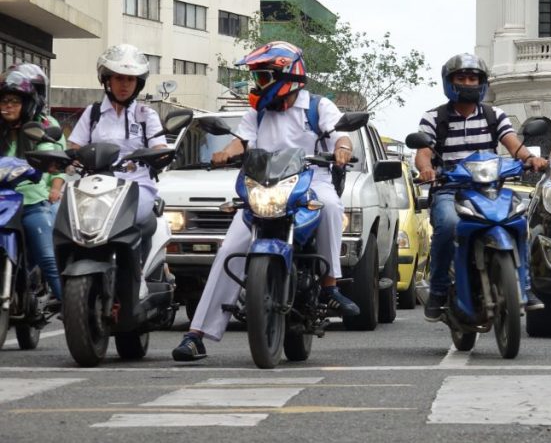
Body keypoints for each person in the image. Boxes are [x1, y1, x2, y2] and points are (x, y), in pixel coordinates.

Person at [172, 41, 359, 361]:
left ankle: (330, 284)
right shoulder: (256, 114)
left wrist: (342, 148)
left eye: (261, 77)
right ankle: (197, 334)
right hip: (264, 187)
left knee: (329, 206)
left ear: (286, 74)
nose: (256, 84)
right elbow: (239, 144)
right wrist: (224, 154)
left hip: (311, 182)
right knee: (230, 248)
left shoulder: (317, 106)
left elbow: (340, 134)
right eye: (256, 77)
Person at [415, 53, 549, 321]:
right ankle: (439, 290)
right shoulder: (434, 117)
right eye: (461, 78)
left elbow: (513, 145)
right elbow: (423, 152)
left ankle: (524, 287)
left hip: (490, 189)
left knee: (519, 223)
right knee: (449, 226)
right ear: (449, 82)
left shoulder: (493, 115)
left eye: (473, 78)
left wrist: (531, 159)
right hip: (450, 189)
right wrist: (426, 169)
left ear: (482, 83)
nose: (468, 83)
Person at [67, 44, 167, 224]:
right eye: (119, 78)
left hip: (136, 186)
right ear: (107, 80)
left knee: (123, 220)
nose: (125, 84)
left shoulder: (146, 115)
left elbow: (159, 148)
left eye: (130, 79)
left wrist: (159, 155)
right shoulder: (92, 113)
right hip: (93, 187)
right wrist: (69, 161)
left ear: (138, 83)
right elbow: (75, 148)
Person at [0, 68, 63, 304]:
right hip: (2, 201)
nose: (7, 106)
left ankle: (74, 317)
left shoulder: (43, 125)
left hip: (32, 203)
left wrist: (48, 166)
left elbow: (52, 154)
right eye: (3, 100)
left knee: (47, 258)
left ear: (27, 103)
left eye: (14, 101)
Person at [10, 63, 66, 222]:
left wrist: (55, 190)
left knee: (44, 243)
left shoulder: (48, 124)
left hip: (38, 198)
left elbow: (59, 164)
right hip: (6, 196)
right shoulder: (5, 127)